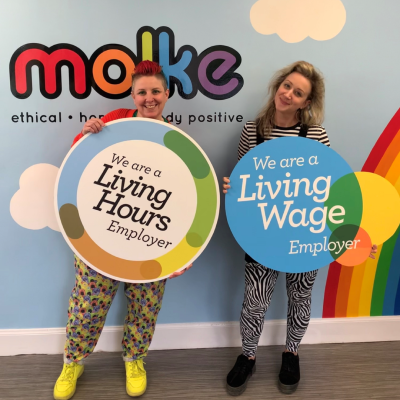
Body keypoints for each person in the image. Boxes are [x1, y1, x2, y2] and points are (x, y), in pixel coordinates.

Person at [222, 61, 377, 395]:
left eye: (298, 92)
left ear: (307, 103)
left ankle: (291, 353)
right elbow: (245, 185)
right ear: (278, 86)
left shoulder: (315, 135)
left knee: (300, 296)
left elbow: (330, 189)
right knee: (255, 301)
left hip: (307, 236)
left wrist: (355, 234)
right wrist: (231, 188)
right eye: (287, 86)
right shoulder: (253, 132)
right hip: (263, 235)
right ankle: (247, 356)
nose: (288, 94)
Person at [54, 60, 191, 400]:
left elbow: (186, 196)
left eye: (155, 91)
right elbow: (80, 162)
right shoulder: (114, 123)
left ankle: (135, 359)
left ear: (166, 94)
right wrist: (85, 135)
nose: (149, 98)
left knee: (146, 304)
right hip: (101, 235)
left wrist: (182, 248)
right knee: (87, 303)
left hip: (150, 241)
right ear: (133, 94)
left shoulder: (176, 139)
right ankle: (73, 361)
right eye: (142, 92)